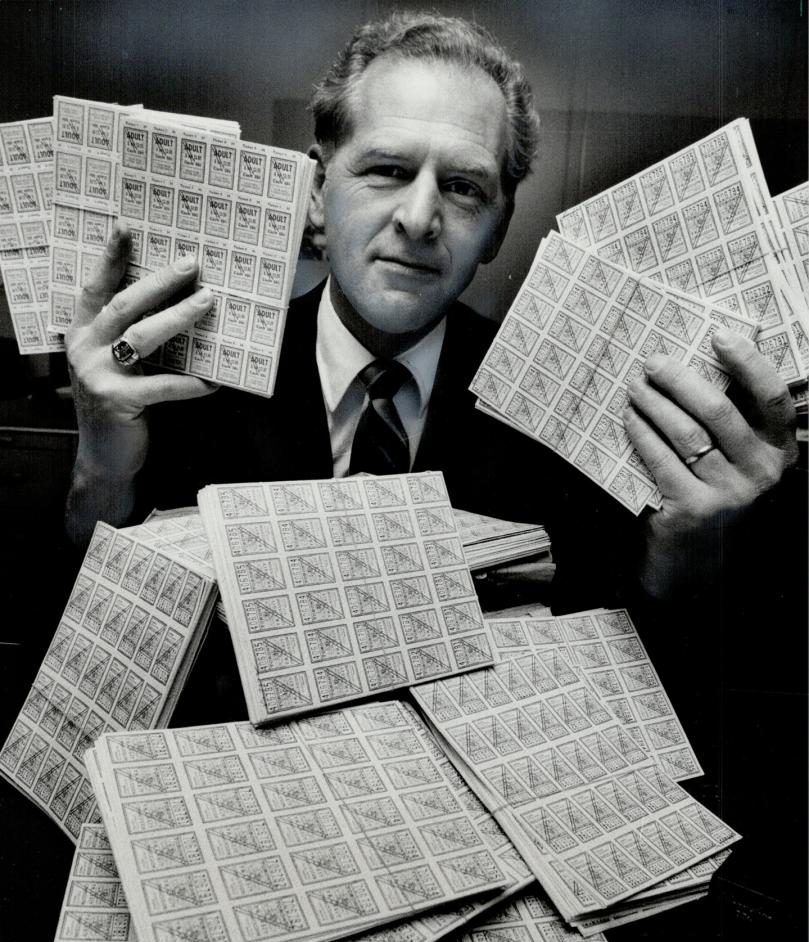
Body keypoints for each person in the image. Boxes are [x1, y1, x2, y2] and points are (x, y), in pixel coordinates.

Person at [63, 11, 798, 613]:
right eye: (386, 170)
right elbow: (80, 631)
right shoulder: (183, 380)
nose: (419, 218)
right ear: (317, 195)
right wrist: (99, 471)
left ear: (498, 229)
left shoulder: (575, 413)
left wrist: (686, 551)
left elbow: (621, 644)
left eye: (464, 187)